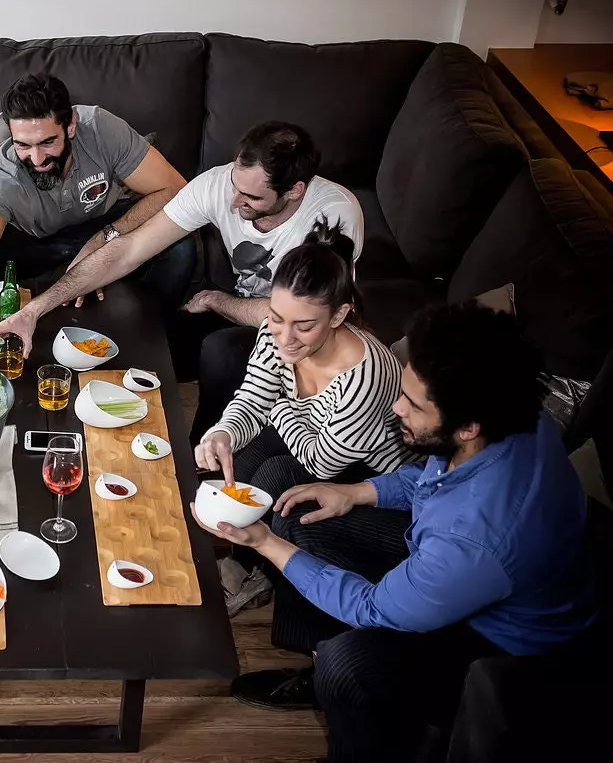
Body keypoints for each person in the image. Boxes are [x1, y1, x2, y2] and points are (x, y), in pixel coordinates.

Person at [193, 302, 598, 763]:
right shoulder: (512, 416)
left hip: (499, 643)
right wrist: (357, 492)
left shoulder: (479, 536)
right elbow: (433, 477)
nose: (395, 406)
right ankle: (315, 659)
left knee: (349, 666)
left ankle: (350, 717)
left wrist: (266, 544)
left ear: (467, 426)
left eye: (413, 405)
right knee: (300, 508)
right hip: (453, 560)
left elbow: (374, 607)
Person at [0, 121, 363, 439]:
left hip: (296, 329)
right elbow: (129, 248)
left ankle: (204, 457)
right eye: (235, 185)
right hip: (242, 304)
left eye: (251, 197)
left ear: (295, 190)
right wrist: (35, 309)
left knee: (222, 353)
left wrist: (217, 301)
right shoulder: (217, 185)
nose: (234, 202)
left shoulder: (332, 217)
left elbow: (300, 317)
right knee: (148, 350)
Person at [0, 73, 190, 332]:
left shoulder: (101, 129)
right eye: (23, 145)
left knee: (181, 246)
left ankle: (150, 338)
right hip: (36, 243)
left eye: (48, 142)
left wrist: (105, 239)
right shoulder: (4, 176)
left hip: (101, 223)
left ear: (70, 126)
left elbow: (176, 188)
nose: (37, 159)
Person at [194, 218, 411, 494]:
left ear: (338, 315)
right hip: (306, 434)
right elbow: (252, 401)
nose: (285, 339)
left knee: (275, 477)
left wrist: (276, 406)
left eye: (305, 326)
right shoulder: (273, 333)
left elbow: (322, 464)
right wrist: (222, 433)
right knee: (239, 461)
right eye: (276, 317)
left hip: (371, 470)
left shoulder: (364, 379)